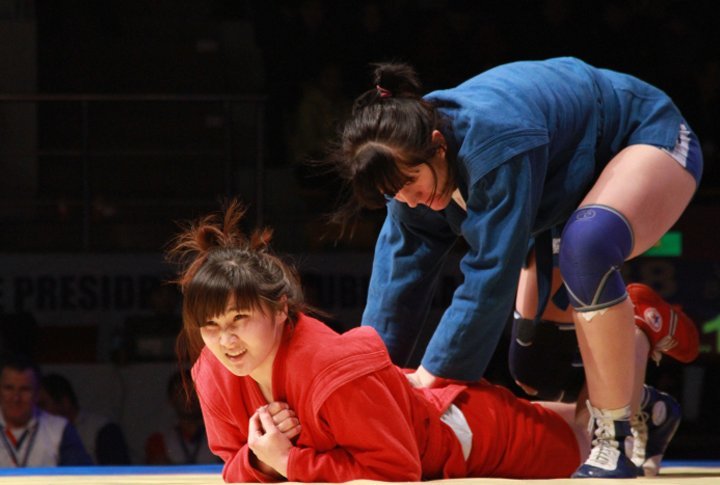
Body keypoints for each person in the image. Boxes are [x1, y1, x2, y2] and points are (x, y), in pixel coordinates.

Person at [323, 58, 703, 478]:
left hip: (645, 137)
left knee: (587, 245)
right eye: (395, 194)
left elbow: (491, 272)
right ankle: (645, 398)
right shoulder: (404, 164)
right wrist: (370, 377)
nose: (408, 199)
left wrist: (431, 376)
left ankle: (617, 441)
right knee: (537, 369)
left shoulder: (494, 141)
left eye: (412, 184)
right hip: (566, 190)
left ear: (438, 144)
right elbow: (398, 280)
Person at [168, 201, 594, 482]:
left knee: (595, 443)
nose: (226, 340)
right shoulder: (211, 370)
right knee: (585, 418)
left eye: (240, 318)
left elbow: (396, 472)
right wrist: (261, 458)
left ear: (281, 309)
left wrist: (288, 461)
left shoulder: (330, 370)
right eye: (210, 326)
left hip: (472, 437)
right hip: (411, 411)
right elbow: (232, 468)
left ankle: (638, 327)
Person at [0, 355, 93, 467]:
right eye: (9, 388)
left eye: (24, 389)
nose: (16, 398)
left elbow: (80, 477)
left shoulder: (60, 429)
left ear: (37, 394)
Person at [38, 373, 132, 465]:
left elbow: (116, 475)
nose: (38, 412)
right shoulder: (39, 434)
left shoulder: (103, 430)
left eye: (42, 405)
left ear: (65, 403)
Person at [144, 370, 219, 465]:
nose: (189, 398)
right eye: (182, 392)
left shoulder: (222, 435)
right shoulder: (159, 439)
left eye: (194, 391)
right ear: (171, 399)